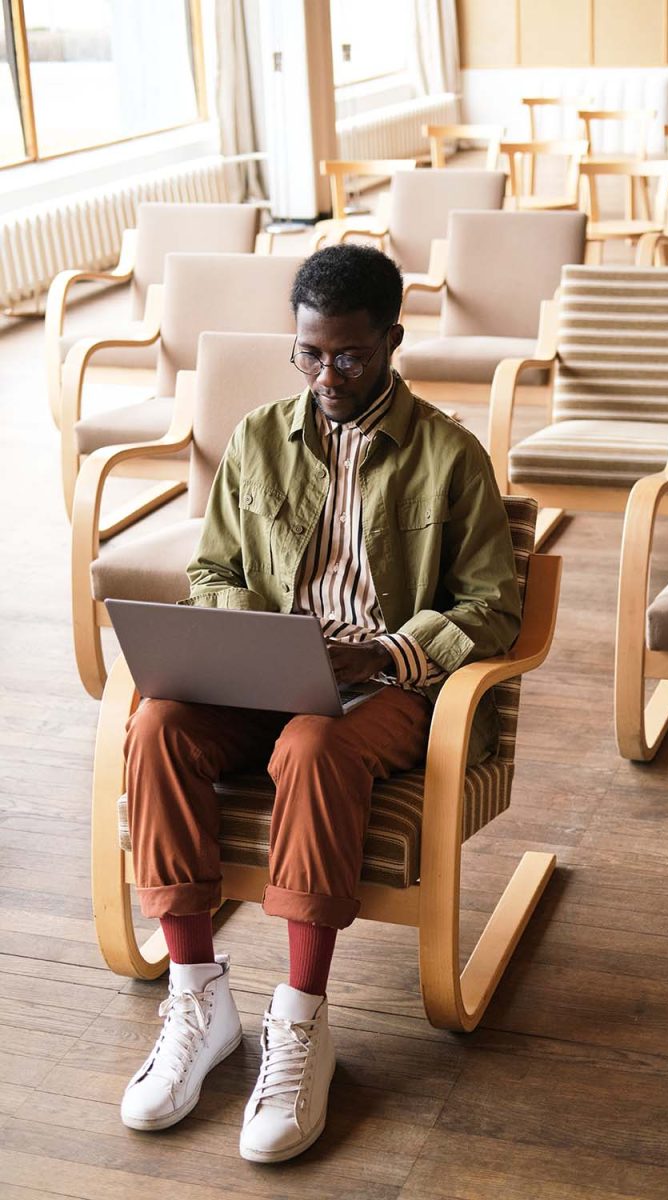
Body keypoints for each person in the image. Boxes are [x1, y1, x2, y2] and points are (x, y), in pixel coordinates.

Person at [120, 243, 521, 1162]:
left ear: (391, 341)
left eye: (348, 355)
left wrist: (382, 648)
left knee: (312, 745)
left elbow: (493, 605)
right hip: (263, 672)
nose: (326, 375)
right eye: (308, 353)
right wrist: (248, 638)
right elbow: (215, 567)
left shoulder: (450, 455)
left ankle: (301, 1020)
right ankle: (198, 1000)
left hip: (385, 685)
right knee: (154, 725)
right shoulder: (260, 436)